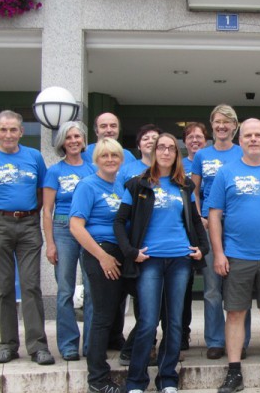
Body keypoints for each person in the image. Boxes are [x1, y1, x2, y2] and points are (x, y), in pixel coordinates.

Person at [114, 133, 209, 393]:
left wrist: (203, 249)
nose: (166, 152)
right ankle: (136, 381)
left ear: (177, 155)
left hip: (180, 260)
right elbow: (119, 222)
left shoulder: (185, 186)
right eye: (161, 148)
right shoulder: (138, 185)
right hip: (149, 261)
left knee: (175, 321)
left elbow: (195, 219)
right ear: (154, 152)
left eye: (171, 149)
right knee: (147, 321)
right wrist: (131, 252)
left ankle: (167, 378)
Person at [208, 118, 260, 393]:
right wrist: (218, 254)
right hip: (235, 255)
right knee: (235, 314)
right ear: (240, 140)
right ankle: (234, 373)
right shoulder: (225, 173)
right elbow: (214, 215)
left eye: (259, 135)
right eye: (248, 135)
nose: (253, 139)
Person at [0, 110, 55, 365]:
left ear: (21, 131)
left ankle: (38, 346)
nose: (8, 134)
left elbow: (42, 192)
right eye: (3, 129)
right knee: (3, 289)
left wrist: (30, 215)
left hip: (28, 224)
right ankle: (7, 345)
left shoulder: (34, 157)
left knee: (31, 286)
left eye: (13, 129)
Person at [70, 138, 132, 393]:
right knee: (103, 316)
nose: (110, 160)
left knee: (139, 307)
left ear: (121, 159)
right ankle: (97, 378)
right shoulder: (87, 186)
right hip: (100, 252)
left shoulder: (121, 185)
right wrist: (102, 257)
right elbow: (76, 226)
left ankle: (128, 351)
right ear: (96, 159)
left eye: (114, 156)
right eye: (104, 156)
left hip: (122, 252)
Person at [191, 104, 250, 360]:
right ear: (212, 126)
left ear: (235, 127)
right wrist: (199, 216)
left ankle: (241, 342)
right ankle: (215, 340)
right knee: (213, 289)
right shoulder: (201, 156)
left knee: (239, 288)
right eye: (217, 122)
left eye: (227, 122)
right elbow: (192, 190)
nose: (222, 126)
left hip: (237, 227)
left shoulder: (242, 153)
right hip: (209, 225)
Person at [42, 120, 96, 361]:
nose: (74, 141)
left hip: (88, 229)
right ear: (62, 142)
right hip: (63, 228)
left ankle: (92, 344)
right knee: (65, 289)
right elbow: (46, 210)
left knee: (92, 288)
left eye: (77, 136)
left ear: (83, 141)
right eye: (69, 137)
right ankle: (68, 344)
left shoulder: (93, 169)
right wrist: (50, 243)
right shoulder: (54, 171)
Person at [115, 124, 162, 366]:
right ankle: (140, 347)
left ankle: (148, 346)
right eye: (146, 138)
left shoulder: (167, 170)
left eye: (156, 138)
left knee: (156, 301)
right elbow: (119, 208)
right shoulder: (128, 170)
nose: (151, 142)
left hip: (163, 244)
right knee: (143, 301)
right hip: (136, 242)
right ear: (139, 143)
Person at [181, 121, 209, 351]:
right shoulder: (177, 165)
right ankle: (183, 333)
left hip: (210, 225)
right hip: (185, 228)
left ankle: (214, 338)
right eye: (190, 137)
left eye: (199, 137)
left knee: (212, 285)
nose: (195, 140)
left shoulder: (208, 160)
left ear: (205, 141)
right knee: (185, 282)